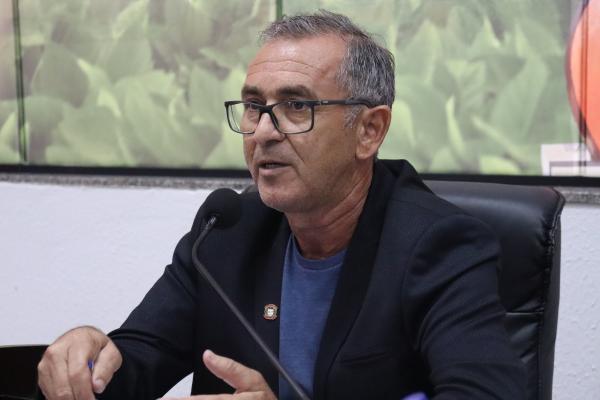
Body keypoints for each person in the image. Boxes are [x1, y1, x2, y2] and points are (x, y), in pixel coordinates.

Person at [37, 10, 526, 400]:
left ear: (369, 130)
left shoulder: (439, 246)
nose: (264, 132)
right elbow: (138, 359)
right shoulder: (226, 231)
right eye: (254, 107)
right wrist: (86, 363)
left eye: (297, 106)